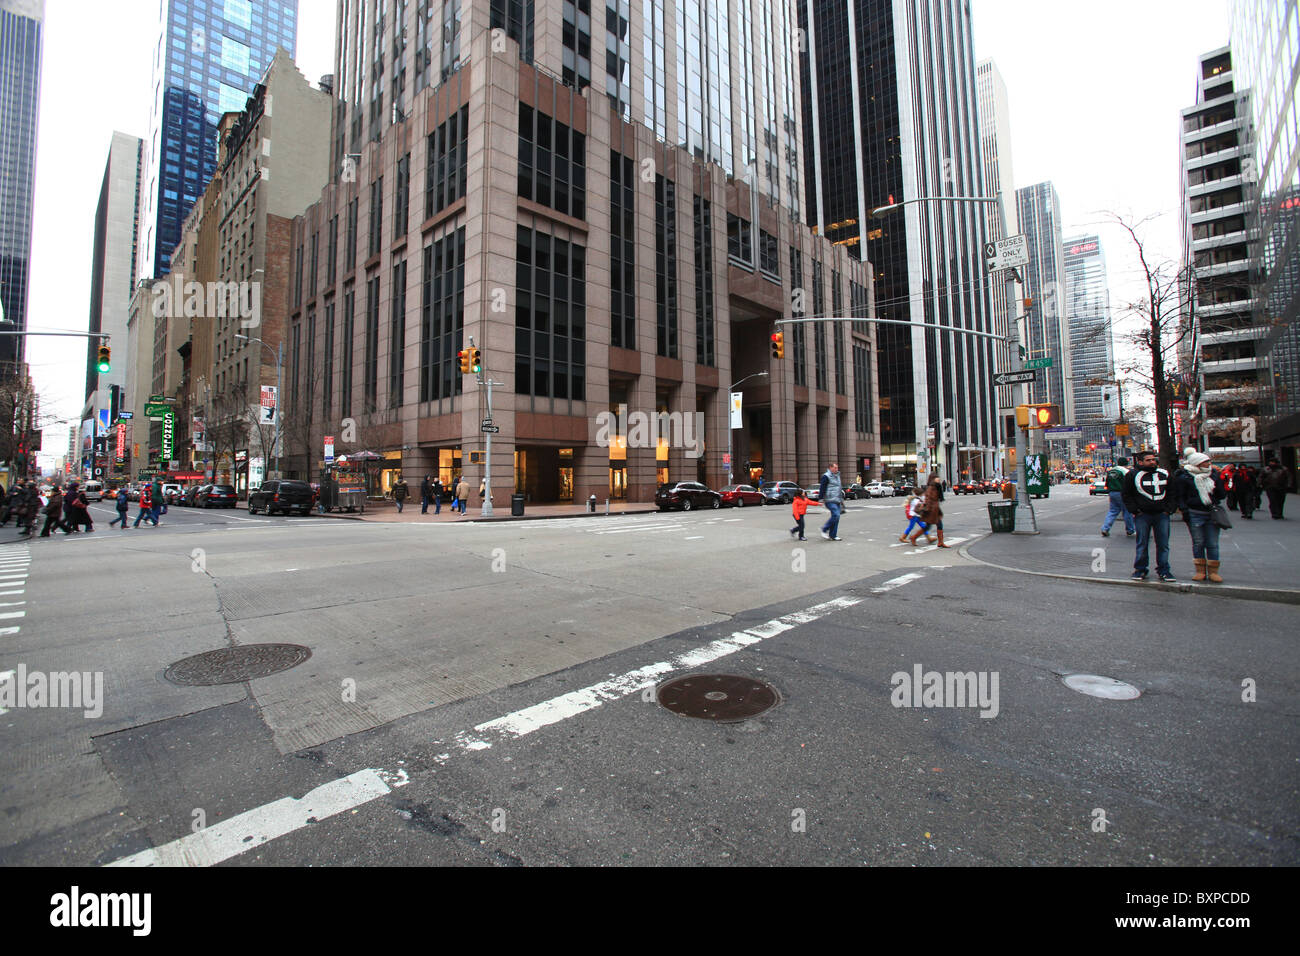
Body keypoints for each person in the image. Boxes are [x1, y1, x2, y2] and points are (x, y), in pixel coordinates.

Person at [1122, 448, 1179, 582]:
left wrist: (1168, 509)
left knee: (1163, 544)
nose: (1152, 462)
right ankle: (1140, 569)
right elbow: (1126, 494)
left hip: (1161, 514)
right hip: (1143, 515)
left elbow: (1173, 492)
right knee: (1142, 543)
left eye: (1153, 459)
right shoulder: (1132, 475)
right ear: (1140, 462)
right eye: (1148, 460)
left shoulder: (1164, 474)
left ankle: (1164, 570)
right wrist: (1135, 511)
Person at [1174, 448, 1227, 583]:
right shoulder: (1184, 477)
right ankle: (1200, 571)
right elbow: (1180, 496)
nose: (1209, 464)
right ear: (1197, 463)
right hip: (1194, 513)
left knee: (1212, 543)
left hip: (1212, 512)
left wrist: (1218, 484)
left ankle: (1213, 572)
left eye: (1209, 461)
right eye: (1205, 462)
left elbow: (1221, 495)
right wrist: (1184, 510)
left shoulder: (1213, 475)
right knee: (1198, 542)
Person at [1100, 457, 1136, 537]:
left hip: (1112, 493)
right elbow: (1129, 483)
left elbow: (1107, 483)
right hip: (1122, 493)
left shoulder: (1111, 471)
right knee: (1127, 511)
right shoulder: (1125, 471)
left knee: (1112, 511)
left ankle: (1105, 528)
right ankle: (1130, 530)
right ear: (1126, 464)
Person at [912, 477, 949, 548]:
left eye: (939, 479)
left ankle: (940, 542)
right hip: (931, 510)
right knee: (931, 526)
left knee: (933, 526)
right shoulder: (931, 488)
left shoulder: (937, 487)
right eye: (937, 479)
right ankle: (914, 537)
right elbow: (927, 498)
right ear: (933, 480)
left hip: (935, 509)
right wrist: (929, 507)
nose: (939, 480)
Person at [818, 462, 845, 540]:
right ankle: (824, 529)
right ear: (830, 468)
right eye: (835, 467)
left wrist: (841, 499)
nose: (837, 469)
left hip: (837, 499)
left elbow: (839, 488)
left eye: (837, 467)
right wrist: (821, 498)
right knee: (836, 515)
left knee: (837, 517)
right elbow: (822, 487)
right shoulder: (826, 476)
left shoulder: (838, 476)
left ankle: (833, 535)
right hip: (829, 499)